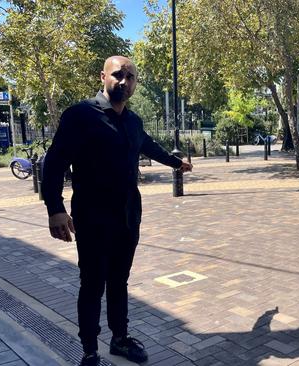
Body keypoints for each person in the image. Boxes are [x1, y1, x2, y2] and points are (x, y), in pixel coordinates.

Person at [41, 56, 192, 366]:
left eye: (131, 77)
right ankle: (89, 350)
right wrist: (55, 209)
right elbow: (54, 163)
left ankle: (120, 339)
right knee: (93, 283)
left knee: (119, 281)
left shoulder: (133, 121)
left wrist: (178, 164)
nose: (124, 81)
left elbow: (149, 146)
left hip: (128, 216)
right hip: (92, 216)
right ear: (103, 77)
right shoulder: (80, 115)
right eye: (118, 75)